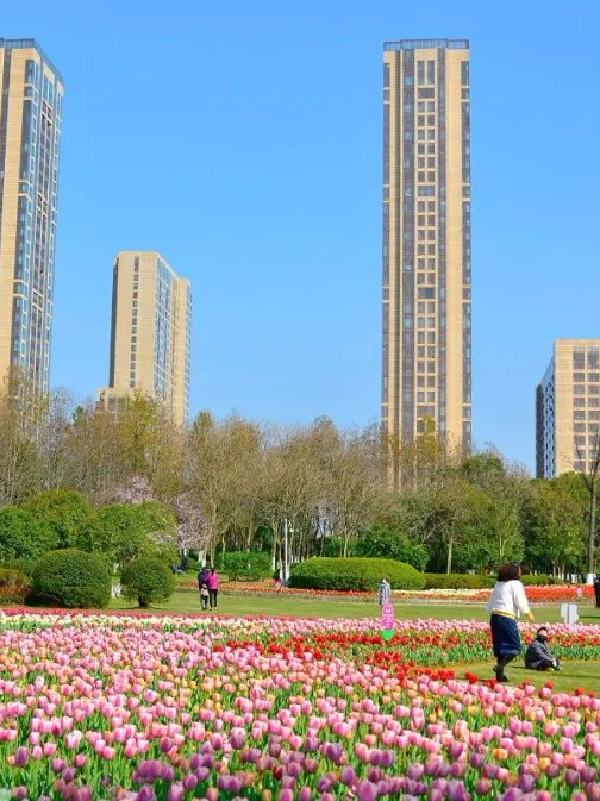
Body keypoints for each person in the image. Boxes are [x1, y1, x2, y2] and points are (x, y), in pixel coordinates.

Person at [486, 563, 534, 682]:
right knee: (515, 647)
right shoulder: (515, 584)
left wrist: (490, 611)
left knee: (500, 647)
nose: (520, 573)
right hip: (506, 617)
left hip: (495, 617)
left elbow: (492, 600)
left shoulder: (498, 584)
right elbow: (520, 599)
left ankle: (499, 676)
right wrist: (527, 611)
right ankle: (500, 666)